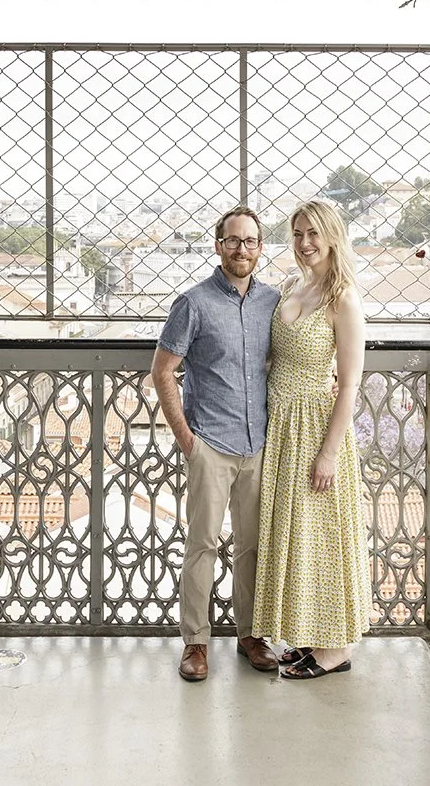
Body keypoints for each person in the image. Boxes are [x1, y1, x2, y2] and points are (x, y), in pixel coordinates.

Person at [152, 206, 282, 681]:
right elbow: (162, 372)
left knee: (252, 546)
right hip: (210, 441)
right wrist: (187, 439)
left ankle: (250, 635)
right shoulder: (193, 303)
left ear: (260, 248)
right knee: (202, 545)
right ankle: (196, 643)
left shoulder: (273, 301)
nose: (241, 249)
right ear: (217, 245)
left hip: (260, 443)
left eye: (250, 241)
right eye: (233, 240)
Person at [252, 198, 372, 680]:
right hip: (280, 425)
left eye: (313, 234)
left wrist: (328, 452)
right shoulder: (291, 286)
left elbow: (348, 384)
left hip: (315, 427)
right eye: (297, 233)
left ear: (333, 237)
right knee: (294, 535)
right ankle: (306, 635)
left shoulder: (343, 298)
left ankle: (334, 650)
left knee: (322, 537)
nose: (304, 243)